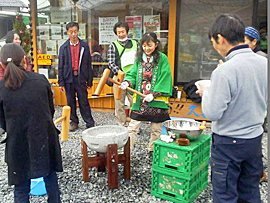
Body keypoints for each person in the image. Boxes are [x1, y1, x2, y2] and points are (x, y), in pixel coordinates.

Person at [196, 14, 267, 203]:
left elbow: (212, 112)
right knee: (250, 191)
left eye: (213, 42)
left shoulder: (224, 71)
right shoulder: (264, 63)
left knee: (226, 194)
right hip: (254, 140)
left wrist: (207, 91)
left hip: (229, 143)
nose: (214, 47)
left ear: (220, 38)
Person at [0, 43, 63, 203]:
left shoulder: (1, 88)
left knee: (20, 188)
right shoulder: (40, 80)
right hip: (44, 137)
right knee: (50, 178)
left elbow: (2, 122)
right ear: (25, 60)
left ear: (1, 65)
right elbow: (50, 110)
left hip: (17, 142)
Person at [120, 32, 172, 153]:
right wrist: (128, 82)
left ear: (156, 44)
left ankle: (153, 151)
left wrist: (154, 94)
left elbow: (165, 76)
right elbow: (132, 73)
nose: (146, 48)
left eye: (149, 45)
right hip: (140, 99)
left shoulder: (162, 58)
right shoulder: (139, 58)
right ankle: (126, 151)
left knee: (156, 128)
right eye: (144, 46)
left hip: (156, 100)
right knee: (132, 127)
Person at [58, 22, 95, 131]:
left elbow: (89, 64)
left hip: (81, 78)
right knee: (70, 101)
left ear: (78, 31)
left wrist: (90, 81)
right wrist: (61, 82)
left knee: (84, 100)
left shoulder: (84, 46)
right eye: (71, 32)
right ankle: (74, 121)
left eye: (75, 31)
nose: (73, 34)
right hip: (68, 78)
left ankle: (89, 121)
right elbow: (60, 66)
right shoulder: (63, 47)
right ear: (67, 32)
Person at [108, 21, 138, 126]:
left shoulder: (135, 43)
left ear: (127, 31)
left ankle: (134, 124)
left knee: (134, 102)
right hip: (119, 78)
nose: (121, 34)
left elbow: (139, 60)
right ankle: (122, 124)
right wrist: (118, 71)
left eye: (123, 31)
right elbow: (110, 62)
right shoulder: (113, 45)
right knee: (119, 102)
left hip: (133, 77)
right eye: (118, 32)